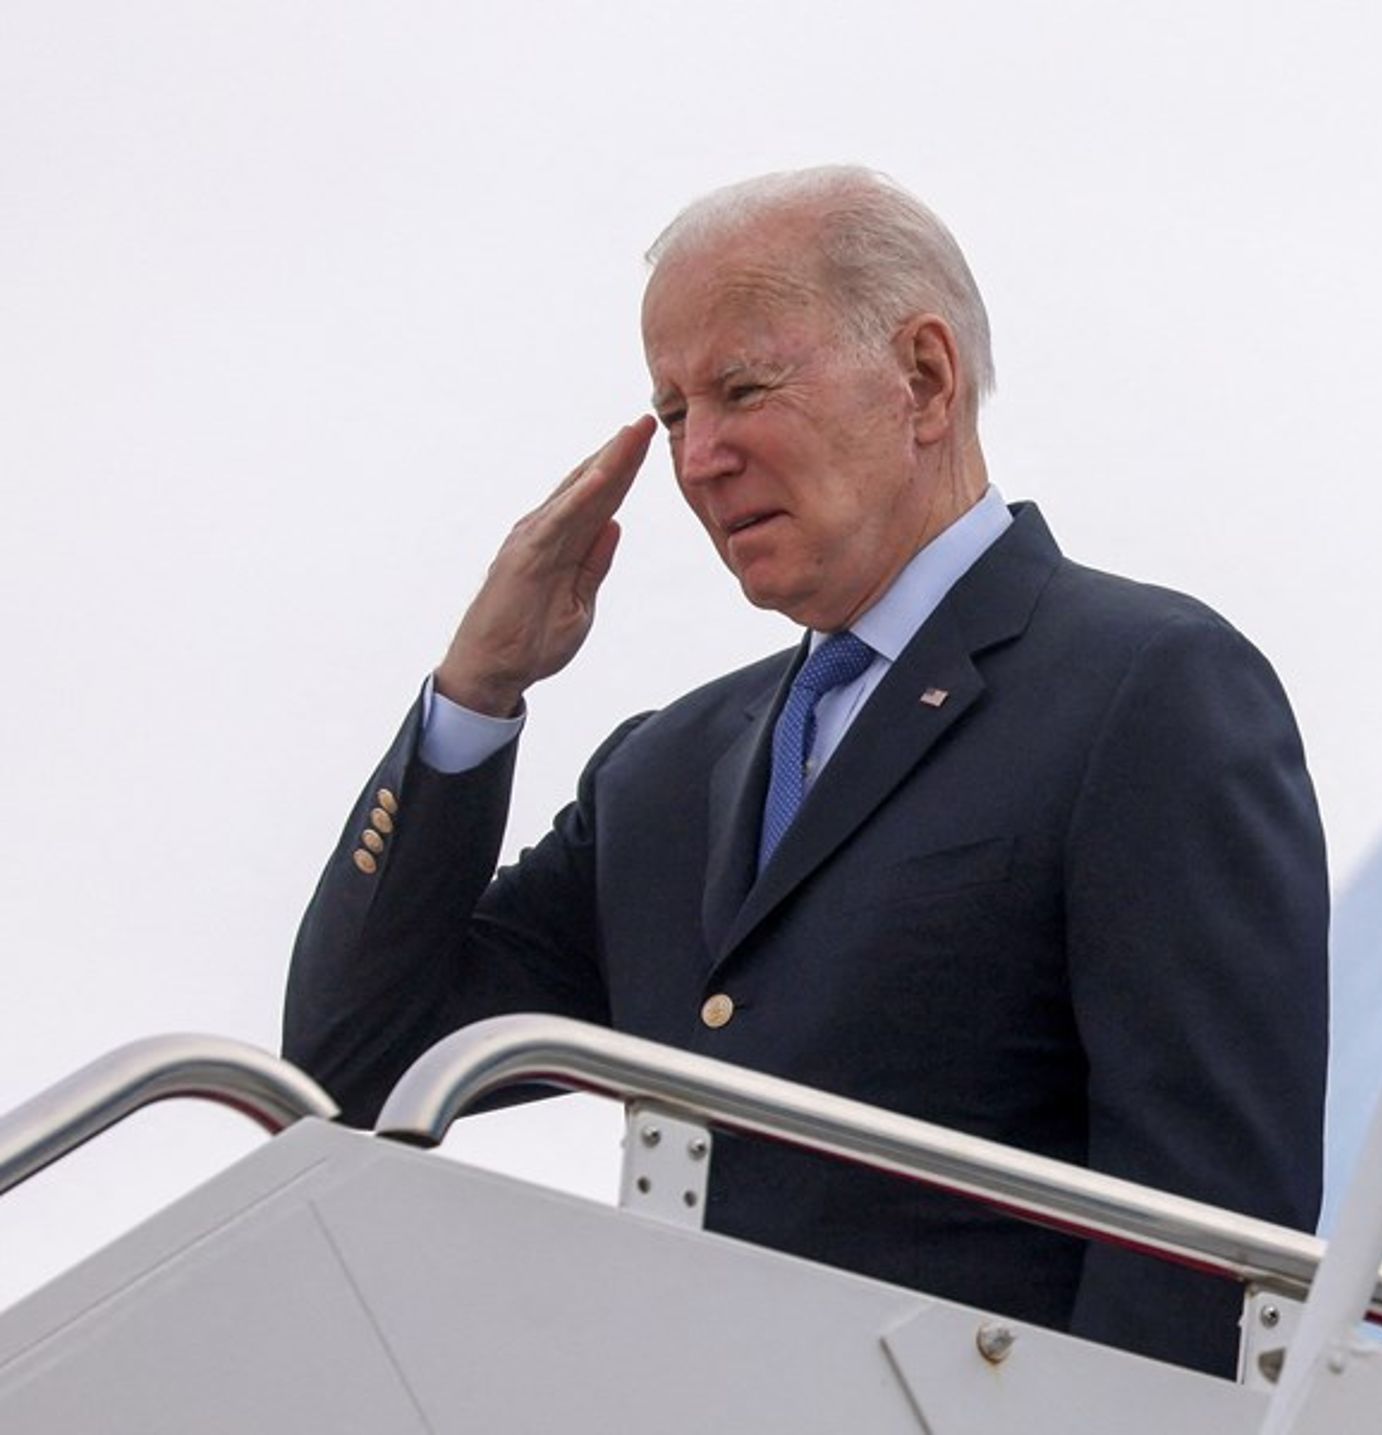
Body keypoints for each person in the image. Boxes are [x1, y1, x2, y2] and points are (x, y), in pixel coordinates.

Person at [283, 167, 1329, 1377]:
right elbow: (355, 1065)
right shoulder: (665, 773)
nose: (701, 458)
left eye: (742, 388)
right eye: (671, 412)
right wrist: (476, 694)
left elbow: (1204, 1234)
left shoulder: (1143, 687)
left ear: (924, 380)